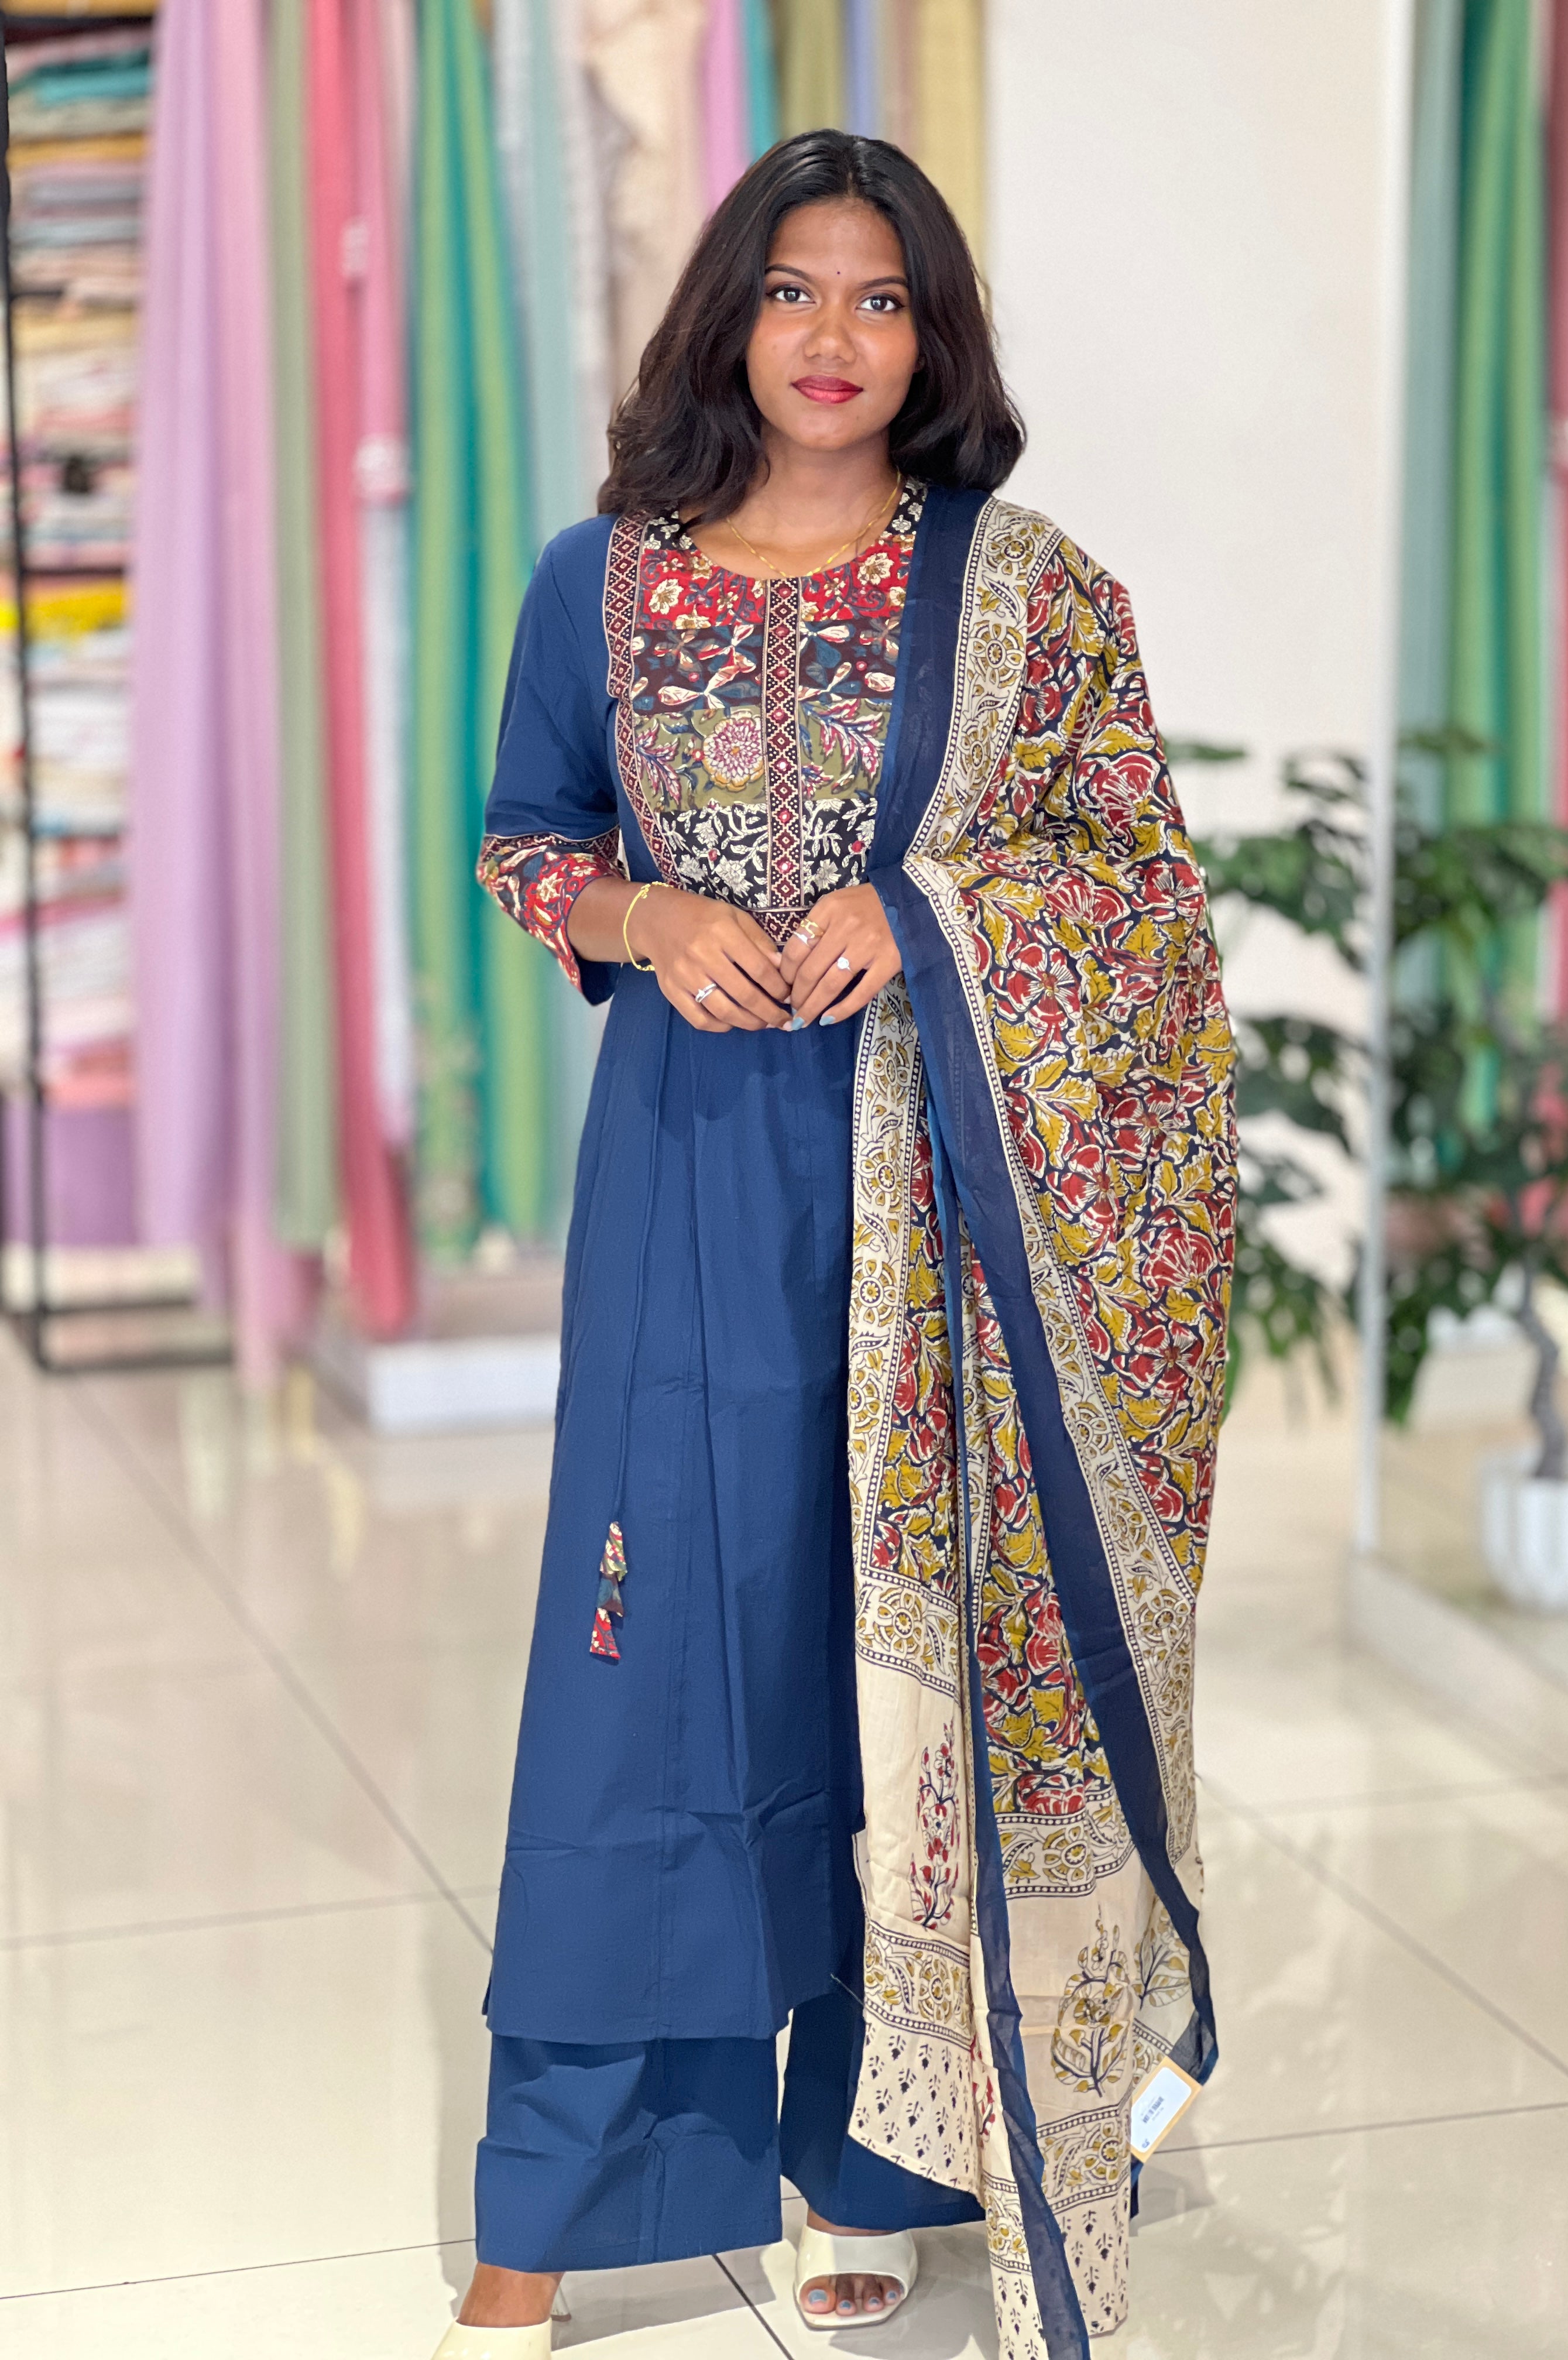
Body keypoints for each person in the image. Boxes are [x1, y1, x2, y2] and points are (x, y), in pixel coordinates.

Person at [433, 128, 1236, 2360]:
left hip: (943, 1189)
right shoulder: (597, 579)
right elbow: (526, 836)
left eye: (881, 299)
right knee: (660, 1667)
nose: (833, 338)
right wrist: (643, 914)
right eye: (794, 290)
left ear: (933, 337)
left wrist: (931, 907)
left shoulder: (1029, 592)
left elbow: (1137, 882)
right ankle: (558, 2197)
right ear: (728, 314)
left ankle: (867, 2162)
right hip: (691, 1179)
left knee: (909, 1661)